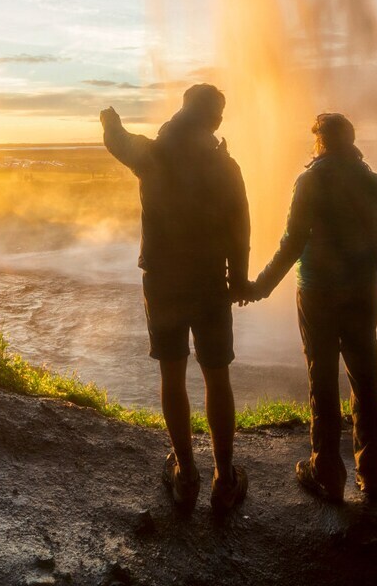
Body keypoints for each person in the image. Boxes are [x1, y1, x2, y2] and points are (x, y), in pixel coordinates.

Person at [100, 85, 252, 512]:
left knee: (172, 374)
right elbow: (241, 228)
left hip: (163, 281)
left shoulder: (152, 155)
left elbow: (117, 141)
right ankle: (225, 479)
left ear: (183, 109)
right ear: (215, 120)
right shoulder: (226, 166)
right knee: (216, 376)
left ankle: (185, 475)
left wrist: (110, 120)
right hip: (209, 282)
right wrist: (238, 280)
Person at [242, 112, 377, 504]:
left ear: (320, 142)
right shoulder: (372, 181)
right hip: (361, 293)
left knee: (321, 377)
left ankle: (326, 472)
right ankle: (370, 474)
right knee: (365, 379)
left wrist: (260, 287)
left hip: (317, 292)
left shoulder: (310, 180)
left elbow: (292, 242)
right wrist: (370, 284)